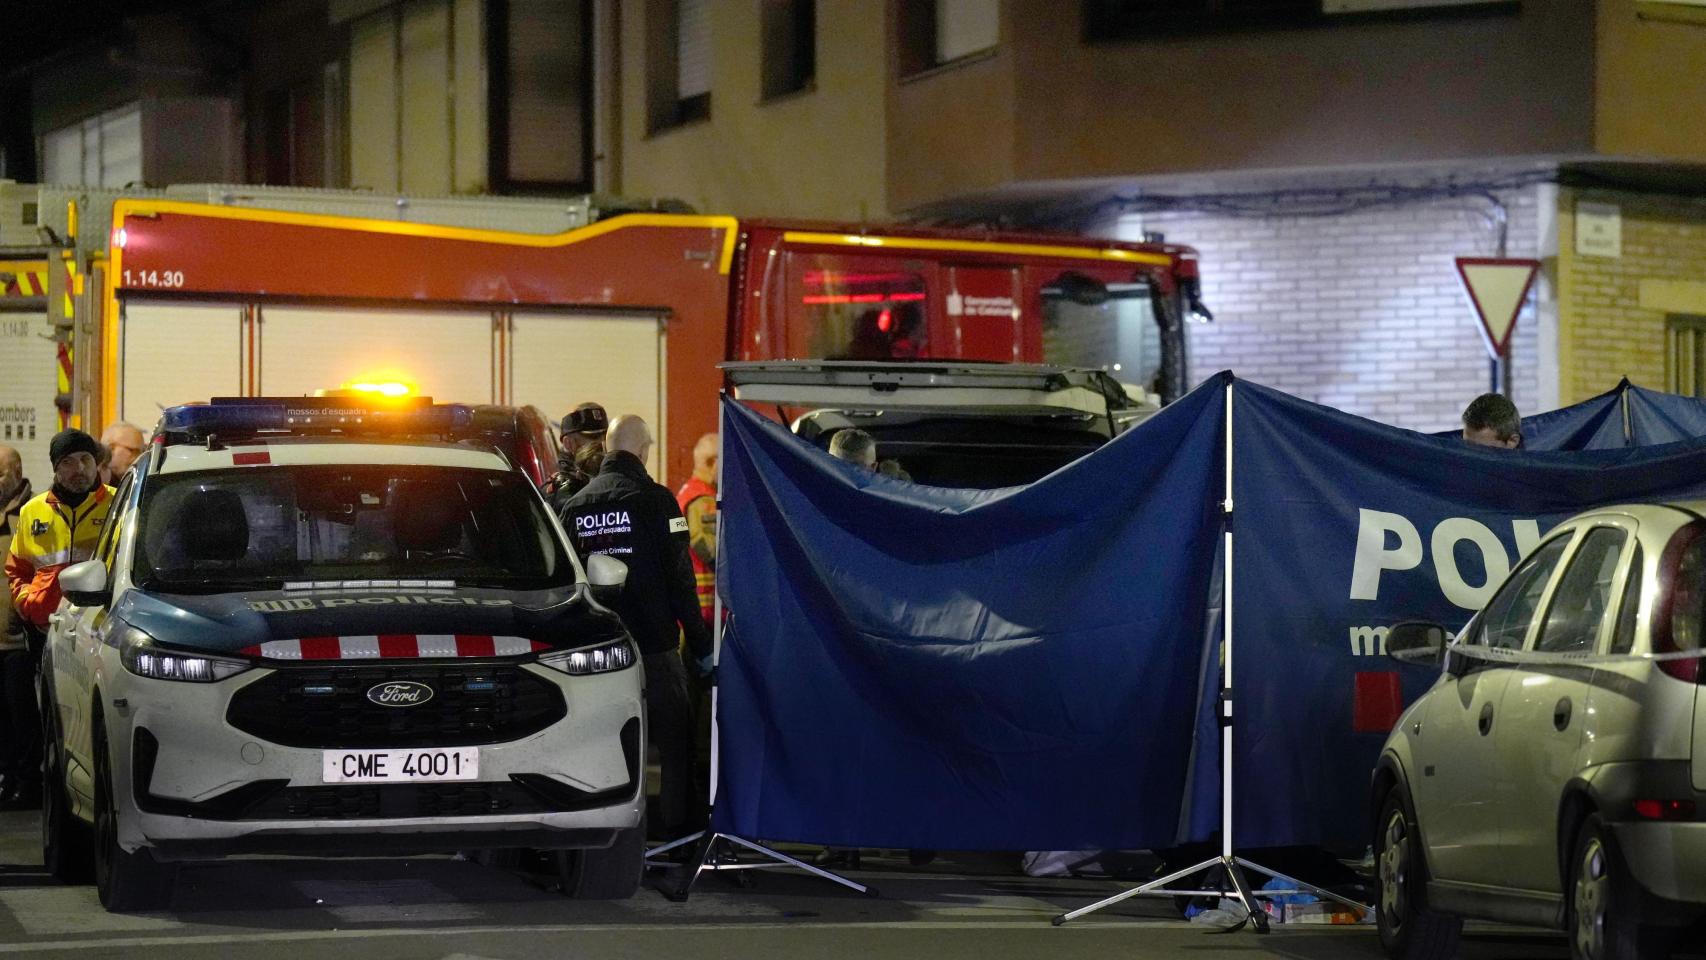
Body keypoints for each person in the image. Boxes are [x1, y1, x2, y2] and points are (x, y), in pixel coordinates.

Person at [559, 415, 712, 839]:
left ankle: (614, 833)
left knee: (607, 745)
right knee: (674, 745)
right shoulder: (661, 502)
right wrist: (701, 646)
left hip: (599, 654)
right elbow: (681, 580)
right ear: (644, 450)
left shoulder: (575, 506)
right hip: (656, 648)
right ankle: (676, 833)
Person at [3, 429, 113, 810]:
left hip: (94, 633)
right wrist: (26, 603)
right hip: (43, 631)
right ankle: (38, 785)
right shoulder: (34, 511)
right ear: (55, 468)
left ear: (96, 462)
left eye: (84, 459)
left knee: (80, 721)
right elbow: (16, 568)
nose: (77, 469)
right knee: (36, 717)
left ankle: (78, 794)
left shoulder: (116, 505)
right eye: (67, 463)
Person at [0, 445, 35, 808]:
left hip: (19, 641)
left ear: (17, 472)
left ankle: (27, 783)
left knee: (23, 720)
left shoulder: (30, 515)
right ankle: (7, 779)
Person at [674, 433, 719, 630]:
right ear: (713, 462)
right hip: (705, 605)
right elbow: (711, 551)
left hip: (692, 604)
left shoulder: (686, 494)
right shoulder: (704, 501)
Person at [547, 402, 608, 510]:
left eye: (604, 438)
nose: (601, 445)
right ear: (568, 444)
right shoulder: (561, 491)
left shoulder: (617, 475)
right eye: (593, 440)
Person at [99, 421, 146, 486]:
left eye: (143, 452)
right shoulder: (94, 486)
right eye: (133, 451)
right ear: (110, 449)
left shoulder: (139, 483)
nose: (140, 457)